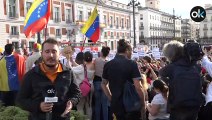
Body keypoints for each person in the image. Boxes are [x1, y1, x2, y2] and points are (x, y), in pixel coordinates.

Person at [16, 38, 81, 120]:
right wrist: (38, 106)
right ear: (42, 53)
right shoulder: (31, 75)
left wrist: (72, 102)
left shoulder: (68, 73)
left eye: (54, 51)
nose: (51, 55)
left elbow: (77, 93)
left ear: (59, 54)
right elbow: (20, 100)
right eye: (47, 52)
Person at [101, 39, 146, 120]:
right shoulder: (132, 64)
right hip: (132, 105)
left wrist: (110, 97)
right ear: (127, 50)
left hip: (116, 104)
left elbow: (103, 84)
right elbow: (138, 87)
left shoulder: (108, 64)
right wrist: (143, 104)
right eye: (131, 50)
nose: (132, 53)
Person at [159, 40, 203, 120]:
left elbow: (161, 73)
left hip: (178, 105)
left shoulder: (172, 67)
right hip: (195, 104)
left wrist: (170, 83)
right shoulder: (195, 66)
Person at [93, 46, 110, 120]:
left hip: (96, 82)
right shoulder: (108, 62)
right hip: (105, 83)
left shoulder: (96, 60)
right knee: (105, 104)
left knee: (97, 103)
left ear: (102, 52)